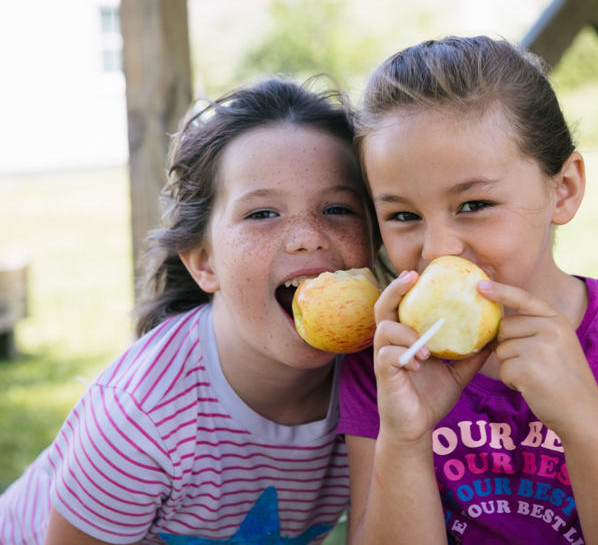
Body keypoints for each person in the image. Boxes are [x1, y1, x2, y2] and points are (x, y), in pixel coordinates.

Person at [336, 35, 598, 545]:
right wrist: (405, 438)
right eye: (403, 216)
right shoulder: (387, 358)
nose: (437, 249)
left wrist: (581, 412)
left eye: (474, 204)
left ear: (563, 190)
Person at [0, 77, 377, 544]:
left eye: (338, 208)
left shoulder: (383, 378)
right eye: (262, 213)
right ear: (204, 263)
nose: (308, 236)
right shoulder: (140, 418)